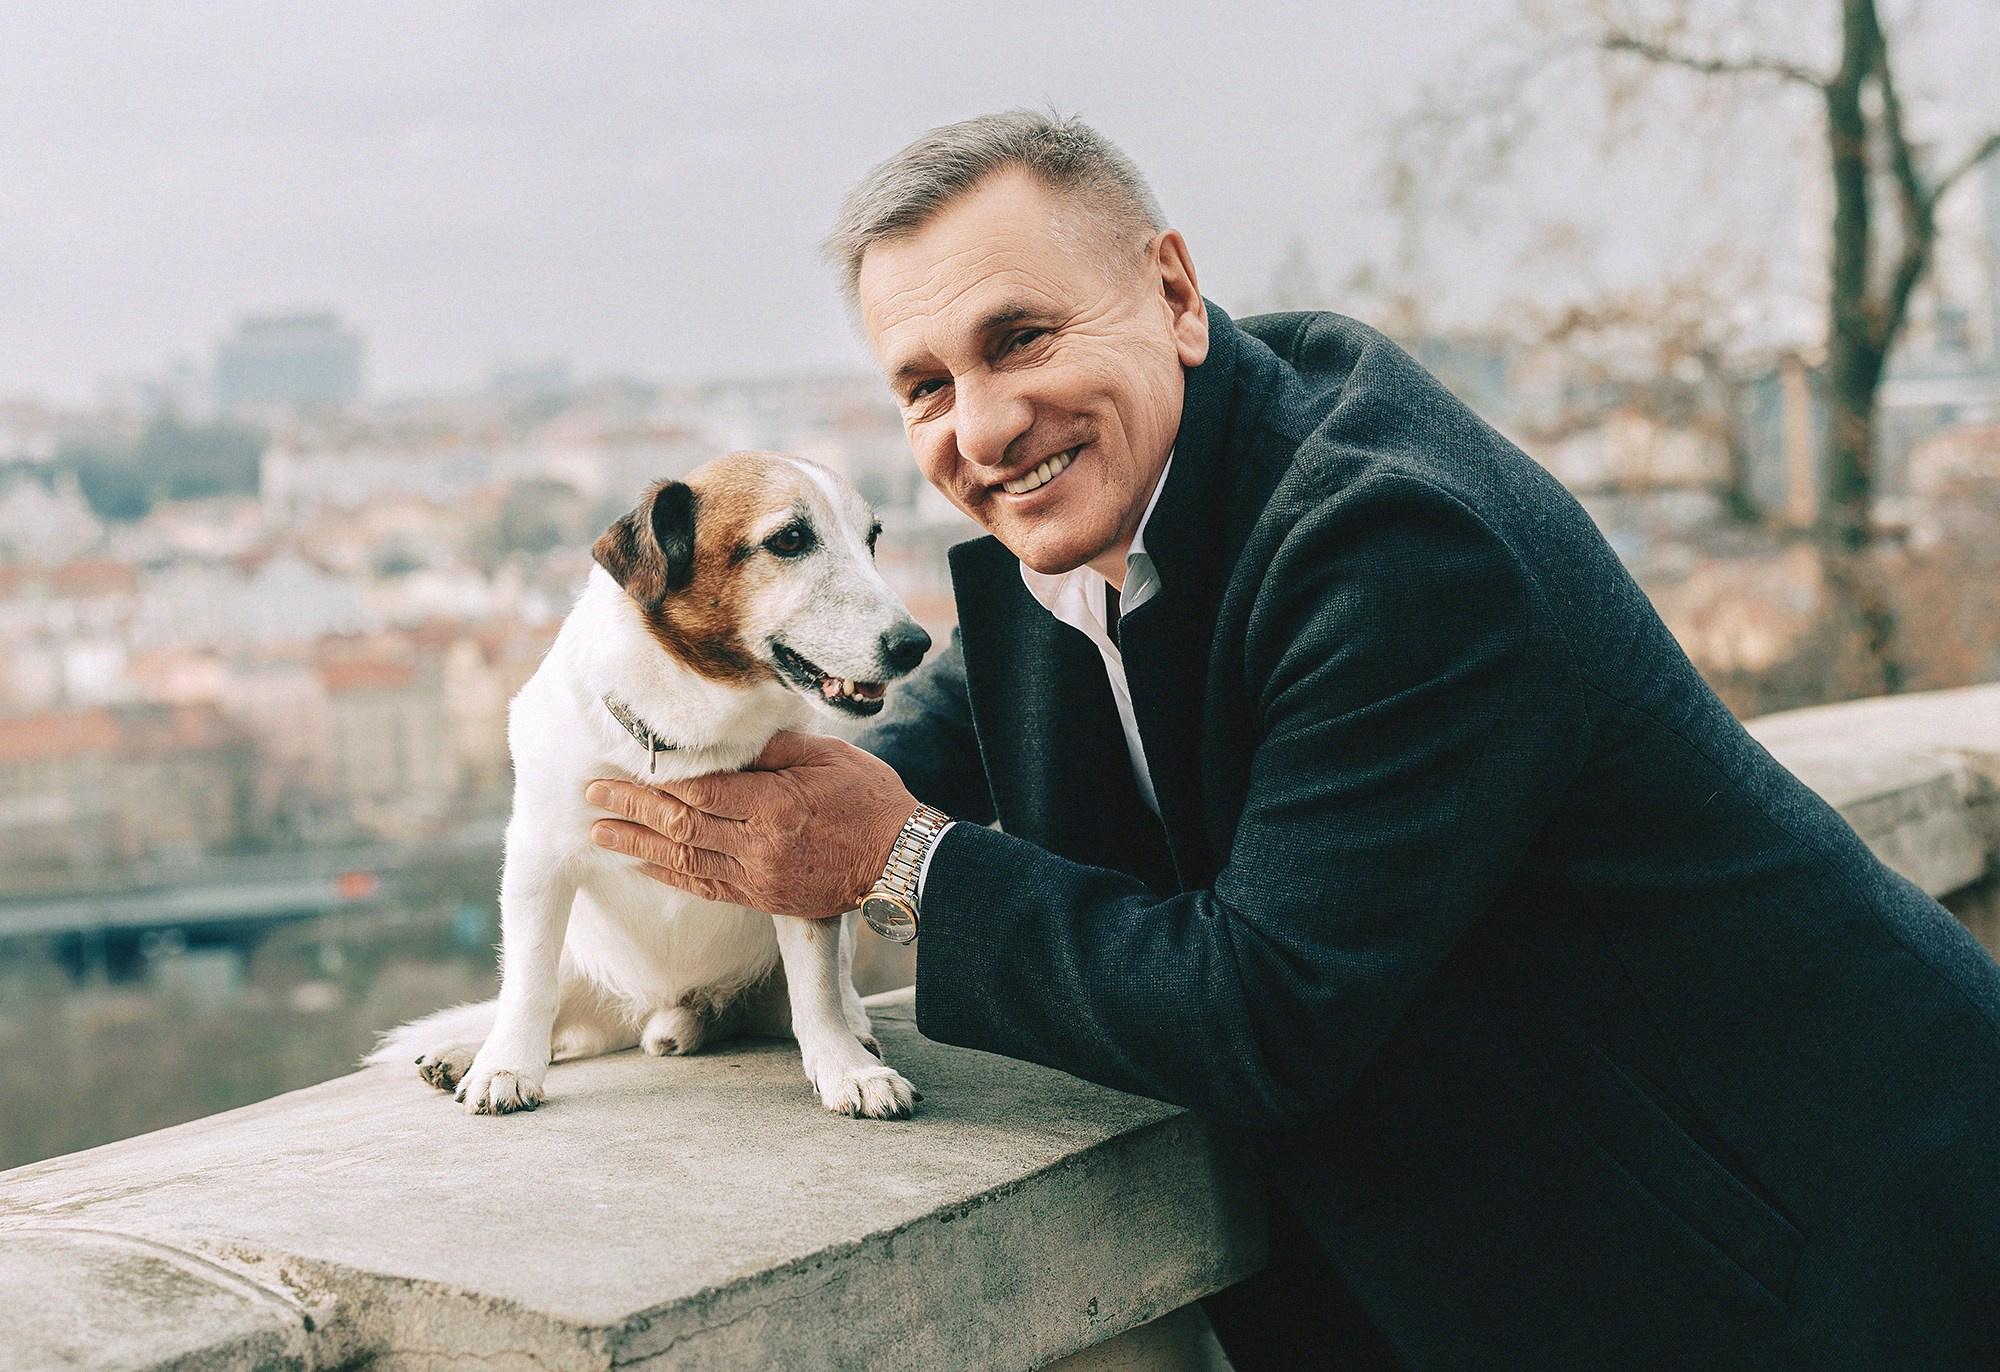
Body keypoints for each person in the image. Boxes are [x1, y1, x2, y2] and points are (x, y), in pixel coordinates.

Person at [583, 111, 2000, 1369]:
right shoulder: (1104, 518)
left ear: (1176, 295)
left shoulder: (1398, 542)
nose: (985, 424)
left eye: (1020, 338)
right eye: (926, 386)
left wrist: (897, 864)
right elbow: (917, 756)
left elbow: (1263, 1007)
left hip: (1804, 1253)